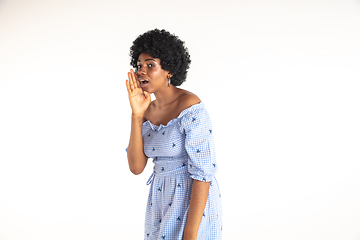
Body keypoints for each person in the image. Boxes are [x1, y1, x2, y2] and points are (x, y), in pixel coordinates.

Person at [125, 29, 222, 240]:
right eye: (139, 66)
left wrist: (190, 234)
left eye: (151, 65)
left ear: (169, 69)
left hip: (192, 202)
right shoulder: (146, 110)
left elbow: (203, 174)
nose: (142, 71)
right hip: (159, 200)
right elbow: (136, 167)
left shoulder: (190, 106)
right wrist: (136, 114)